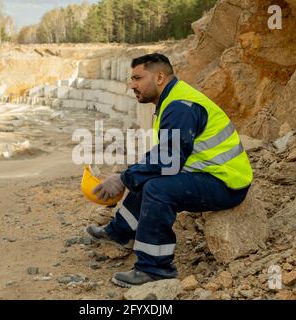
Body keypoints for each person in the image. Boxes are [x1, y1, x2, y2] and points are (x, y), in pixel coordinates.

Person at [86, 53, 253, 288]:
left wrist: (123, 178)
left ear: (160, 77)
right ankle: (120, 233)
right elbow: (163, 157)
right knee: (146, 175)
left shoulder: (180, 107)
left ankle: (155, 269)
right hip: (207, 173)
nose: (132, 85)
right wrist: (127, 175)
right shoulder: (171, 100)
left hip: (226, 183)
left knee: (156, 188)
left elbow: (168, 160)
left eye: (137, 78)